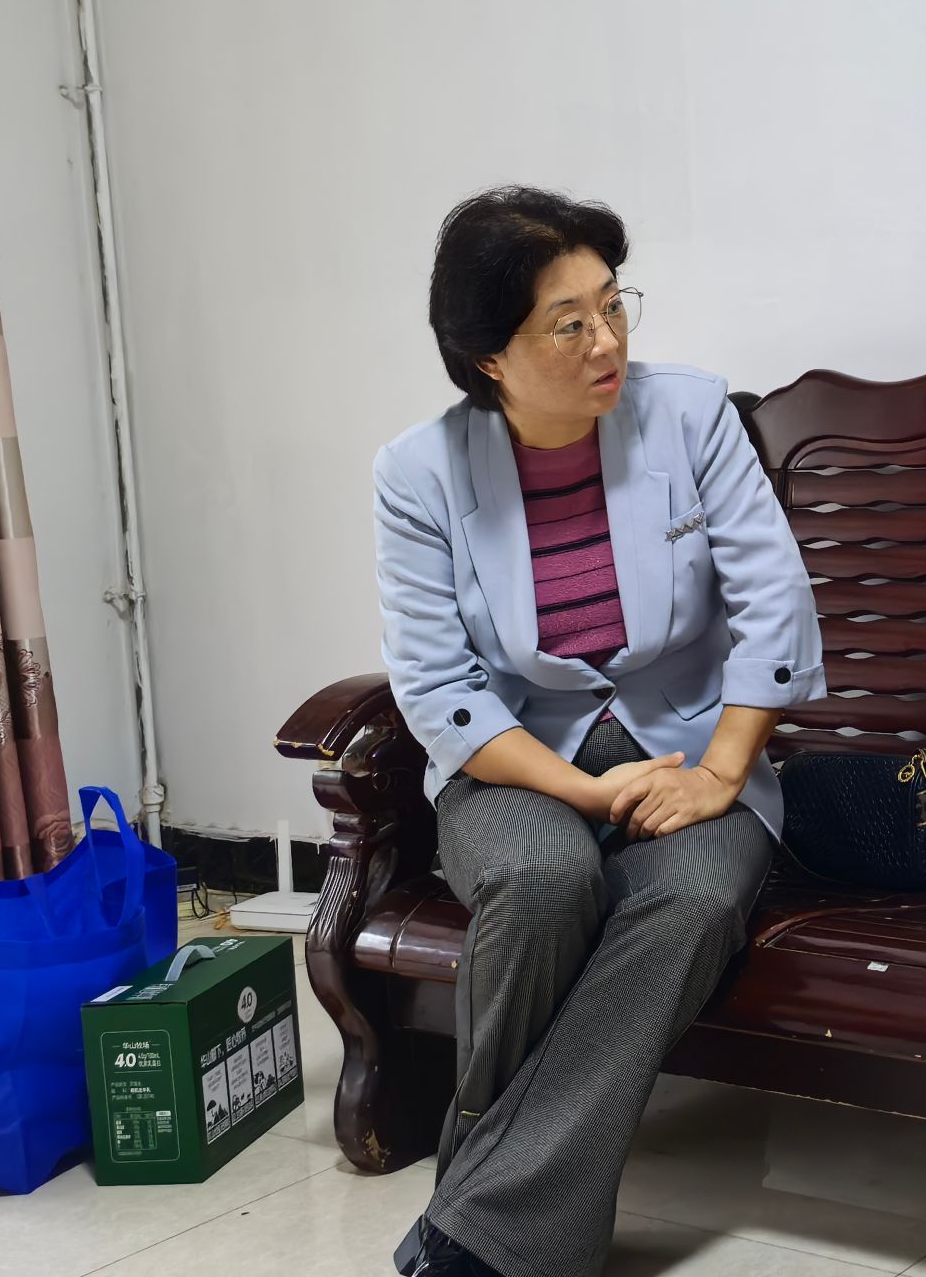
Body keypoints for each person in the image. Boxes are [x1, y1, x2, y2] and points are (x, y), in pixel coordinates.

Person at [374, 187, 824, 1277]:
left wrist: (721, 772)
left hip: (692, 744)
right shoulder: (418, 474)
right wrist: (586, 795)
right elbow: (439, 688)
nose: (608, 342)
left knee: (693, 897)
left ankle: (475, 1227)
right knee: (542, 880)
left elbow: (773, 599)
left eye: (613, 306)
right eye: (567, 324)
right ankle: (505, 1226)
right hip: (517, 759)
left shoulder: (691, 414)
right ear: (487, 356)